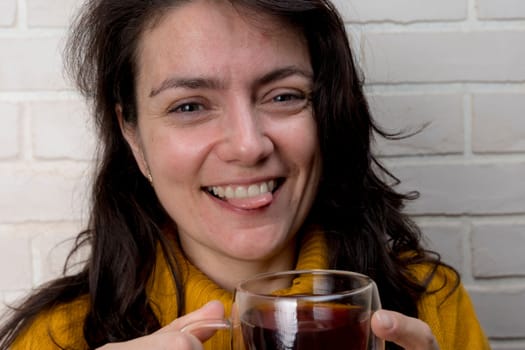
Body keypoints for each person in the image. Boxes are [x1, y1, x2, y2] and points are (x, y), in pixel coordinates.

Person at [0, 0, 490, 349]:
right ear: (133, 136)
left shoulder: (430, 304)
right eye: (189, 106)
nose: (248, 145)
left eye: (283, 96)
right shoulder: (53, 339)